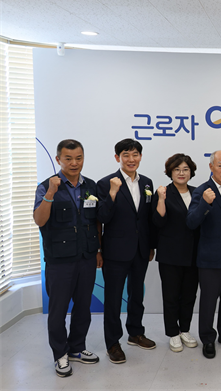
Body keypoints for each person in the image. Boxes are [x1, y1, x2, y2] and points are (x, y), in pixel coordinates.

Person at [33, 139, 102, 377]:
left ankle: (77, 348)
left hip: (86, 257)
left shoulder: (91, 186)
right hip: (60, 260)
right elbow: (40, 220)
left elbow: (96, 221)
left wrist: (98, 250)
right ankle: (60, 354)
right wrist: (51, 193)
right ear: (58, 159)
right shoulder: (46, 186)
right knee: (58, 310)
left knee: (83, 307)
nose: (74, 163)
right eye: (68, 158)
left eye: (78, 158)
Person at [97, 138, 156, 364]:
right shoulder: (105, 183)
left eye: (135, 154)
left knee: (137, 294)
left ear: (140, 156)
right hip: (115, 251)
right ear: (117, 158)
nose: (131, 159)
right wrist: (112, 194)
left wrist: (150, 246)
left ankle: (135, 332)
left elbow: (147, 219)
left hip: (140, 249)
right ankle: (112, 343)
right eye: (126, 155)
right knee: (113, 299)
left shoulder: (147, 183)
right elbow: (102, 217)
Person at [186, 150, 221, 359]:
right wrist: (205, 203)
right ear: (211, 167)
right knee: (209, 301)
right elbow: (191, 222)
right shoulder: (202, 191)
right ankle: (208, 338)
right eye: (220, 165)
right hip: (210, 258)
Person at [152, 154, 199, 353]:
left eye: (185, 169)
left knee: (189, 295)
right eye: (177, 169)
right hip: (170, 254)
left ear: (191, 172)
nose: (181, 173)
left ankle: (185, 330)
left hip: (194, 254)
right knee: (171, 296)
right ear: (170, 172)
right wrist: (161, 199)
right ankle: (173, 332)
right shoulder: (163, 192)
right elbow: (158, 222)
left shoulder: (197, 192)